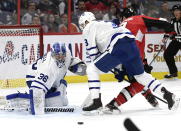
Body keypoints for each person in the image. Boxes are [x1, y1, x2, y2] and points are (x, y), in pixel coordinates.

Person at [78, 12, 179, 114]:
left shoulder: (89, 27)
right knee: (141, 76)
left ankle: (96, 102)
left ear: (86, 21)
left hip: (118, 45)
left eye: (82, 25)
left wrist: (102, 68)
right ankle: (168, 95)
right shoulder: (105, 24)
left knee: (91, 69)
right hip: (131, 43)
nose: (83, 27)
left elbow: (93, 53)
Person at [0, 42, 87, 115]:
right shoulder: (48, 68)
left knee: (63, 101)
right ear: (53, 54)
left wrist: (77, 66)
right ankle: (19, 100)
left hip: (50, 76)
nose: (60, 58)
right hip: (34, 78)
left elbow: (72, 62)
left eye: (62, 55)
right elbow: (36, 89)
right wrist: (38, 111)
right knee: (51, 102)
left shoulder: (67, 52)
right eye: (57, 56)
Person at [163, 4, 181, 79]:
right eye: (174, 11)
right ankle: (173, 72)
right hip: (177, 41)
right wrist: (165, 36)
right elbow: (169, 29)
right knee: (167, 54)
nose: (176, 12)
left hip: (177, 38)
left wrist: (174, 36)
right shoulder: (173, 20)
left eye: (178, 10)